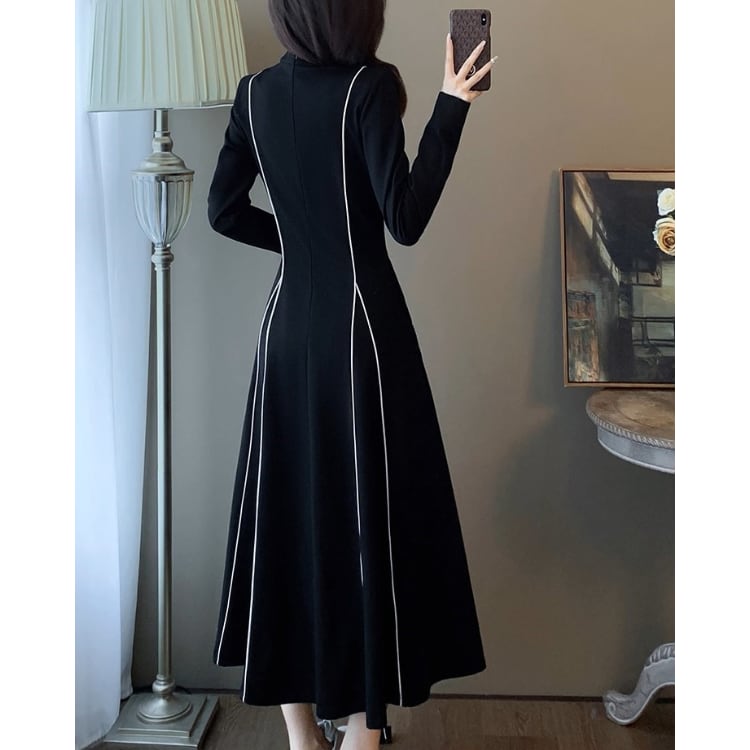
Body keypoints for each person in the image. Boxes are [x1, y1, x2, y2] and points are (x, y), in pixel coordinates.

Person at [207, 2, 495, 749]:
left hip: (287, 332)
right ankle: (365, 735)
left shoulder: (254, 93)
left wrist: (303, 245)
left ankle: (302, 735)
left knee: (289, 519)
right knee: (366, 525)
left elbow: (223, 212)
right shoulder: (366, 89)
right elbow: (405, 217)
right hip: (363, 334)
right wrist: (453, 105)